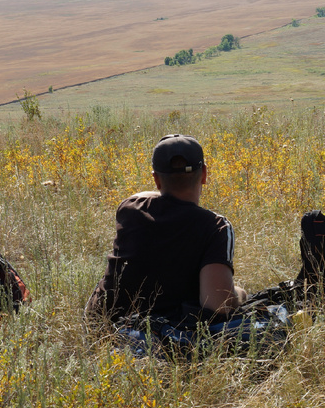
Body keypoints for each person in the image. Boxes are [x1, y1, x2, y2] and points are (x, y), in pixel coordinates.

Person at [85, 134, 247, 324]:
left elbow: (149, 197)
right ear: (204, 174)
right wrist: (239, 294)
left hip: (102, 324)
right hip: (157, 337)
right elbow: (218, 305)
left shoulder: (130, 207)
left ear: (156, 179)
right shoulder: (216, 227)